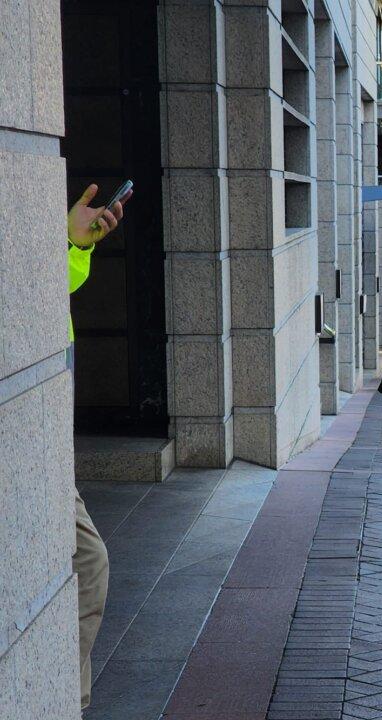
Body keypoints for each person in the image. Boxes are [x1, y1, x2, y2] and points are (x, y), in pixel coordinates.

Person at [67, 182, 131, 711]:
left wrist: (74, 245)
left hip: (43, 430)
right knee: (88, 561)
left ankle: (67, 698)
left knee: (87, 562)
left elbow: (47, 286)